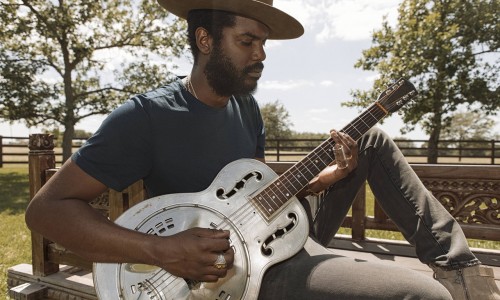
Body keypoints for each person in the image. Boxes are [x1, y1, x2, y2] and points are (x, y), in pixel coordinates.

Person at [25, 0, 500, 299]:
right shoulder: (146, 116)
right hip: (236, 269)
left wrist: (329, 178)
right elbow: (46, 211)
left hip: (277, 226)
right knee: (418, 296)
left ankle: (459, 268)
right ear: (205, 39)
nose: (261, 55)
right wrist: (160, 249)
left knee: (368, 139)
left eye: (263, 42)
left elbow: (255, 192)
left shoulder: (246, 109)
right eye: (247, 40)